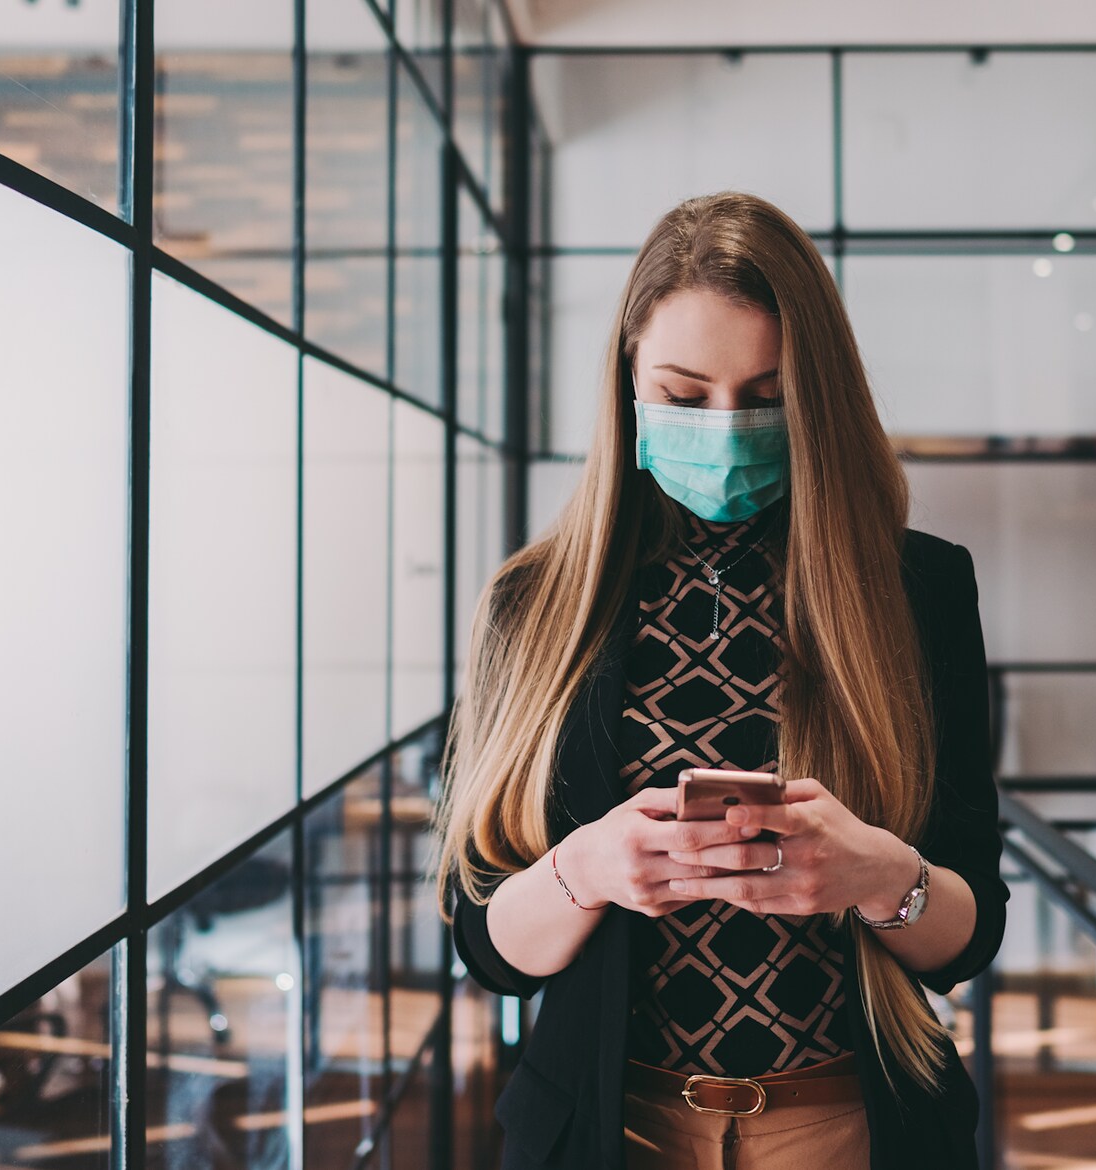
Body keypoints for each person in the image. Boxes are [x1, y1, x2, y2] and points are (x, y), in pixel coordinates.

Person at [433, 190, 1006, 1170]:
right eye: (685, 395)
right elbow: (485, 945)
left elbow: (967, 935)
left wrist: (876, 876)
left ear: (818, 395)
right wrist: (585, 869)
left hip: (853, 1128)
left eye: (768, 394)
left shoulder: (918, 588)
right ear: (626, 383)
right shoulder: (533, 604)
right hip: (610, 1128)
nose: (727, 427)